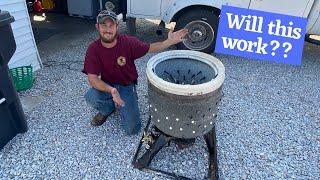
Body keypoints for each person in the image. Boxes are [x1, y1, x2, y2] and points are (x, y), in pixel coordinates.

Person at [82, 10, 188, 135]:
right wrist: (111, 90)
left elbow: (151, 48)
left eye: (111, 25)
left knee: (132, 129)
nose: (108, 29)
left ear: (117, 26)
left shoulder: (128, 42)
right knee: (90, 97)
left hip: (126, 86)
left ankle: (131, 98)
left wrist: (169, 41)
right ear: (97, 26)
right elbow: (93, 79)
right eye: (104, 25)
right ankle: (107, 109)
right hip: (108, 85)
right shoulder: (93, 49)